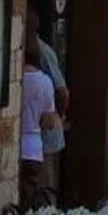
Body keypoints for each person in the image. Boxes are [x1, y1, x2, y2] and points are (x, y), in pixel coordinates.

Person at [20, 29, 58, 211]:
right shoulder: (45, 82)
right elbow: (47, 122)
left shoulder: (16, 79)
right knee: (31, 200)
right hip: (33, 146)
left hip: (18, 145)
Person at [34, 29, 69, 204]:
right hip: (38, 137)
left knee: (45, 187)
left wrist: (58, 116)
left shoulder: (43, 52)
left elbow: (62, 92)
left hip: (47, 135)